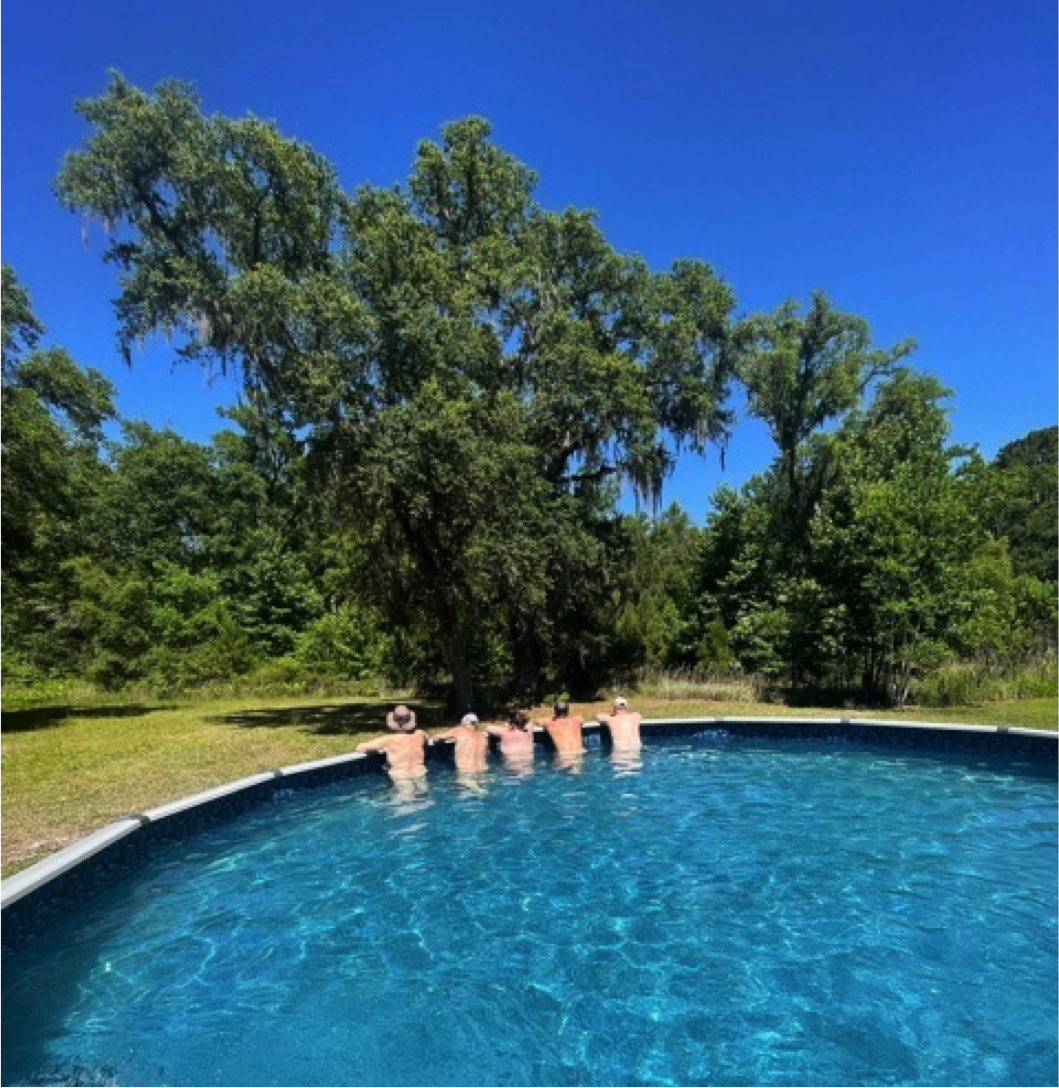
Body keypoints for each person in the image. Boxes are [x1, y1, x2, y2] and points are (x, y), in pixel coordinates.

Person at [356, 720, 430, 782]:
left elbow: (360, 748)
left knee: (405, 798)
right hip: (420, 772)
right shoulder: (420, 734)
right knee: (423, 796)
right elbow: (427, 741)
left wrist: (373, 751)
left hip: (401, 776)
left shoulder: (389, 739)